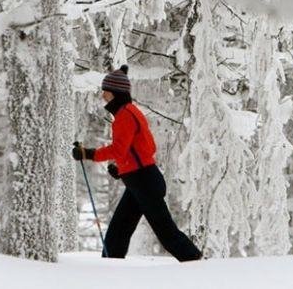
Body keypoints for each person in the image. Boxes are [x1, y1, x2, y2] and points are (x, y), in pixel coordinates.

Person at [72, 65, 202, 262]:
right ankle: (110, 272)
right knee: (117, 234)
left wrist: (87, 153)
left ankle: (197, 264)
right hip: (141, 181)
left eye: (105, 91)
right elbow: (145, 148)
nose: (103, 95)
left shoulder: (125, 115)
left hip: (144, 183)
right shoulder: (131, 112)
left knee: (166, 234)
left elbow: (118, 150)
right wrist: (123, 168)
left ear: (115, 92)